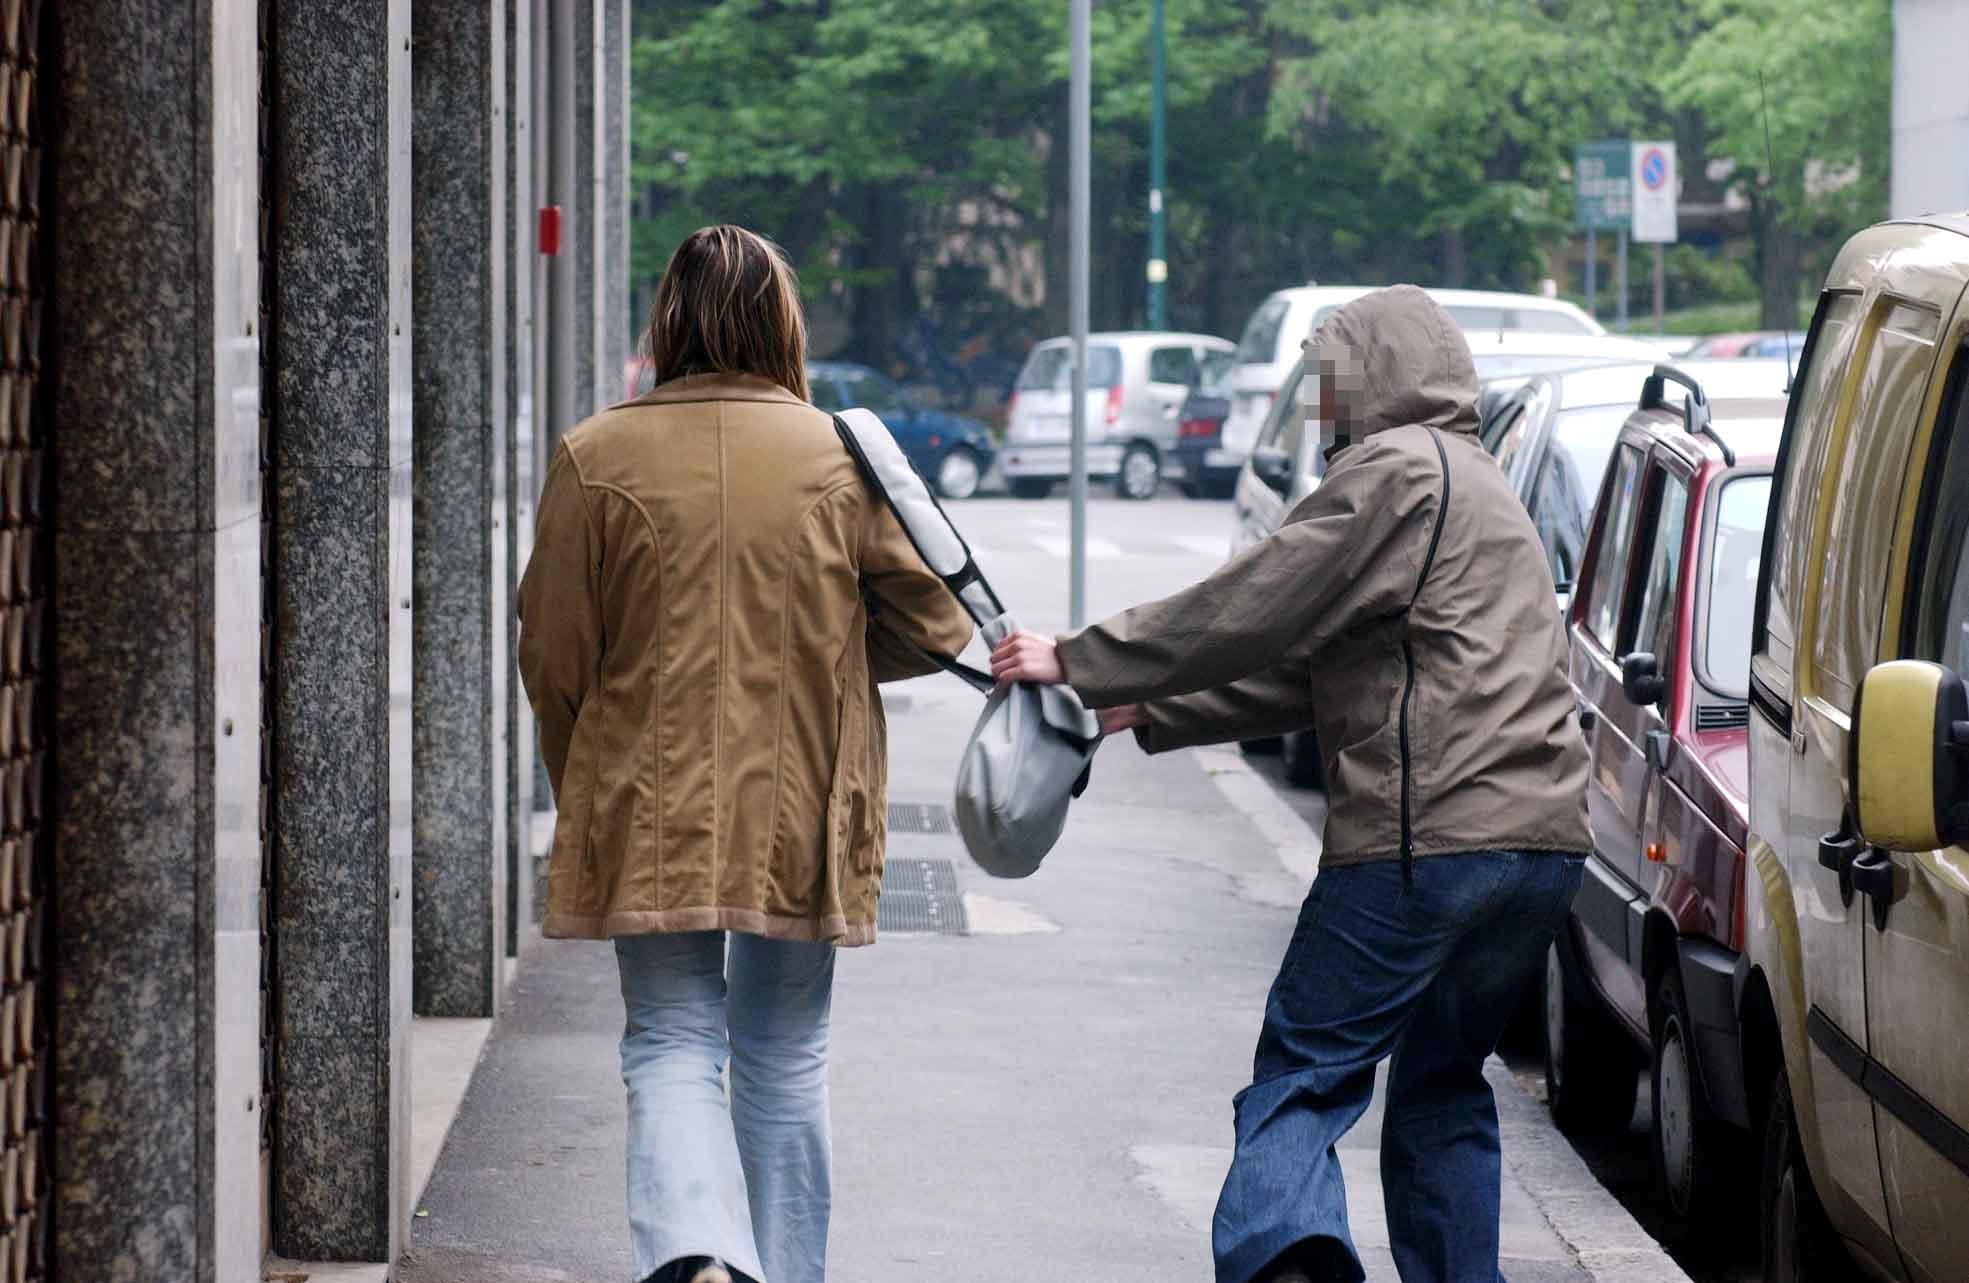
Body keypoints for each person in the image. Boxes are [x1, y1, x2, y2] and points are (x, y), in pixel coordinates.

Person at [990, 285, 1591, 1283]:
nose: (1321, 409)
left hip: (1425, 838)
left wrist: (1083, 659)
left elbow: (1254, 601)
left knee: (1300, 1075)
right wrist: (1148, 709)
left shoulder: (1395, 473)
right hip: (1541, 852)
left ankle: (1287, 1261)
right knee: (1442, 1088)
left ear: (1368, 380)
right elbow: (1312, 673)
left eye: (1327, 385)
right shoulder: (1482, 485)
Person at [518, 225, 972, 1283]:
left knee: (671, 1037)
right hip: (800, 789)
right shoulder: (835, 457)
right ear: (783, 322)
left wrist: (578, 782)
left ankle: (698, 1253)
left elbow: (553, 650)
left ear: (666, 320)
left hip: (646, 786)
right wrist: (833, 645)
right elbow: (939, 622)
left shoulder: (596, 453)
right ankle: (778, 1265)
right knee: (783, 1052)